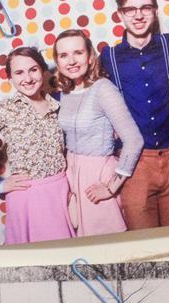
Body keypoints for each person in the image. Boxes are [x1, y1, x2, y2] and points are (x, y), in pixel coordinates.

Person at [0, 46, 74, 245]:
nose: (27, 78)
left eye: (33, 70)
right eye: (19, 72)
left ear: (43, 71)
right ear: (10, 78)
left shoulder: (58, 106)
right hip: (27, 197)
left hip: (61, 192)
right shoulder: (5, 110)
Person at [99, 0, 169, 229]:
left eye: (145, 7)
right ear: (120, 14)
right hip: (134, 163)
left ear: (155, 10)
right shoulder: (108, 57)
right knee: (143, 242)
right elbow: (79, 90)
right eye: (130, 9)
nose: (138, 15)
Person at [53, 29, 143, 237]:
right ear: (57, 62)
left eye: (78, 53)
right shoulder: (64, 94)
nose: (71, 61)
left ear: (90, 56)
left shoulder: (103, 88)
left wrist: (111, 187)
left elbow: (134, 140)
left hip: (97, 176)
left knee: (105, 244)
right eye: (64, 55)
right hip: (71, 174)